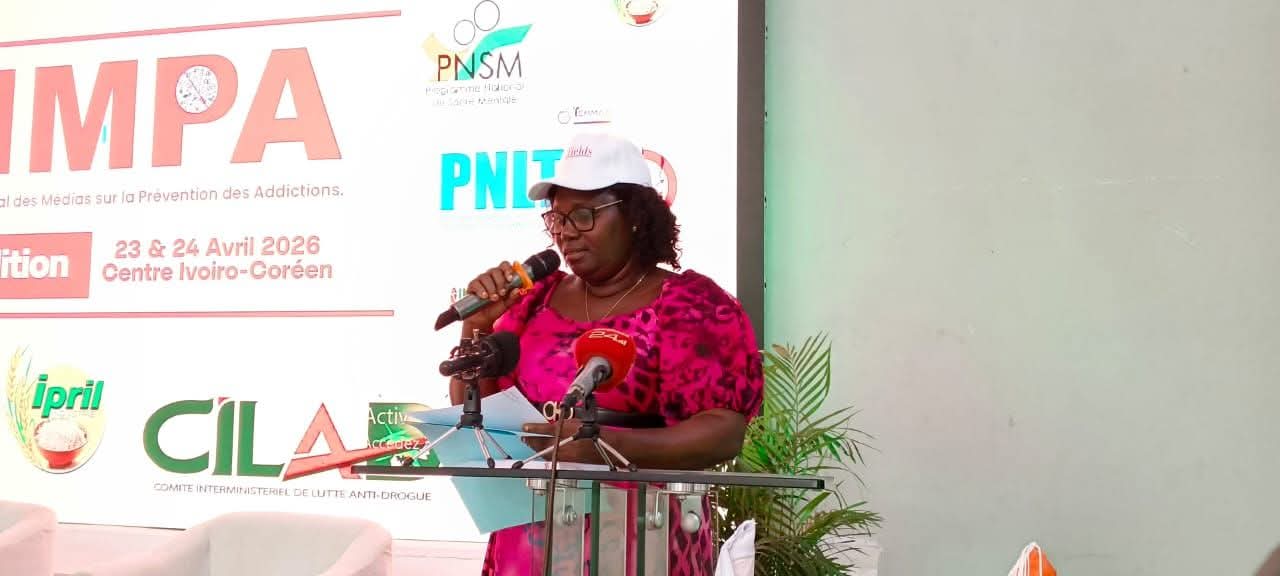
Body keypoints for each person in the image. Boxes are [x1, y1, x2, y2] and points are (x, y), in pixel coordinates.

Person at [450, 132, 763, 576]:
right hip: (532, 539)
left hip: (642, 536)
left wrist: (604, 447)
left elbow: (722, 433)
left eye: (584, 215)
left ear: (634, 215)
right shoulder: (534, 301)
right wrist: (477, 327)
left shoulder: (690, 305)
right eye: (557, 218)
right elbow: (475, 411)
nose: (566, 232)